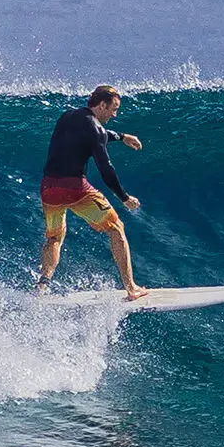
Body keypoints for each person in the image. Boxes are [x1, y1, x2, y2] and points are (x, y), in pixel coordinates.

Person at [36, 85, 148, 300]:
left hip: (49, 188)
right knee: (116, 229)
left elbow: (96, 134)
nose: (115, 114)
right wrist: (124, 197)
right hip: (75, 189)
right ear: (102, 104)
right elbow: (106, 168)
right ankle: (131, 288)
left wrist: (122, 136)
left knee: (54, 238)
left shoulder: (68, 116)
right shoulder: (95, 129)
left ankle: (42, 287)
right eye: (113, 109)